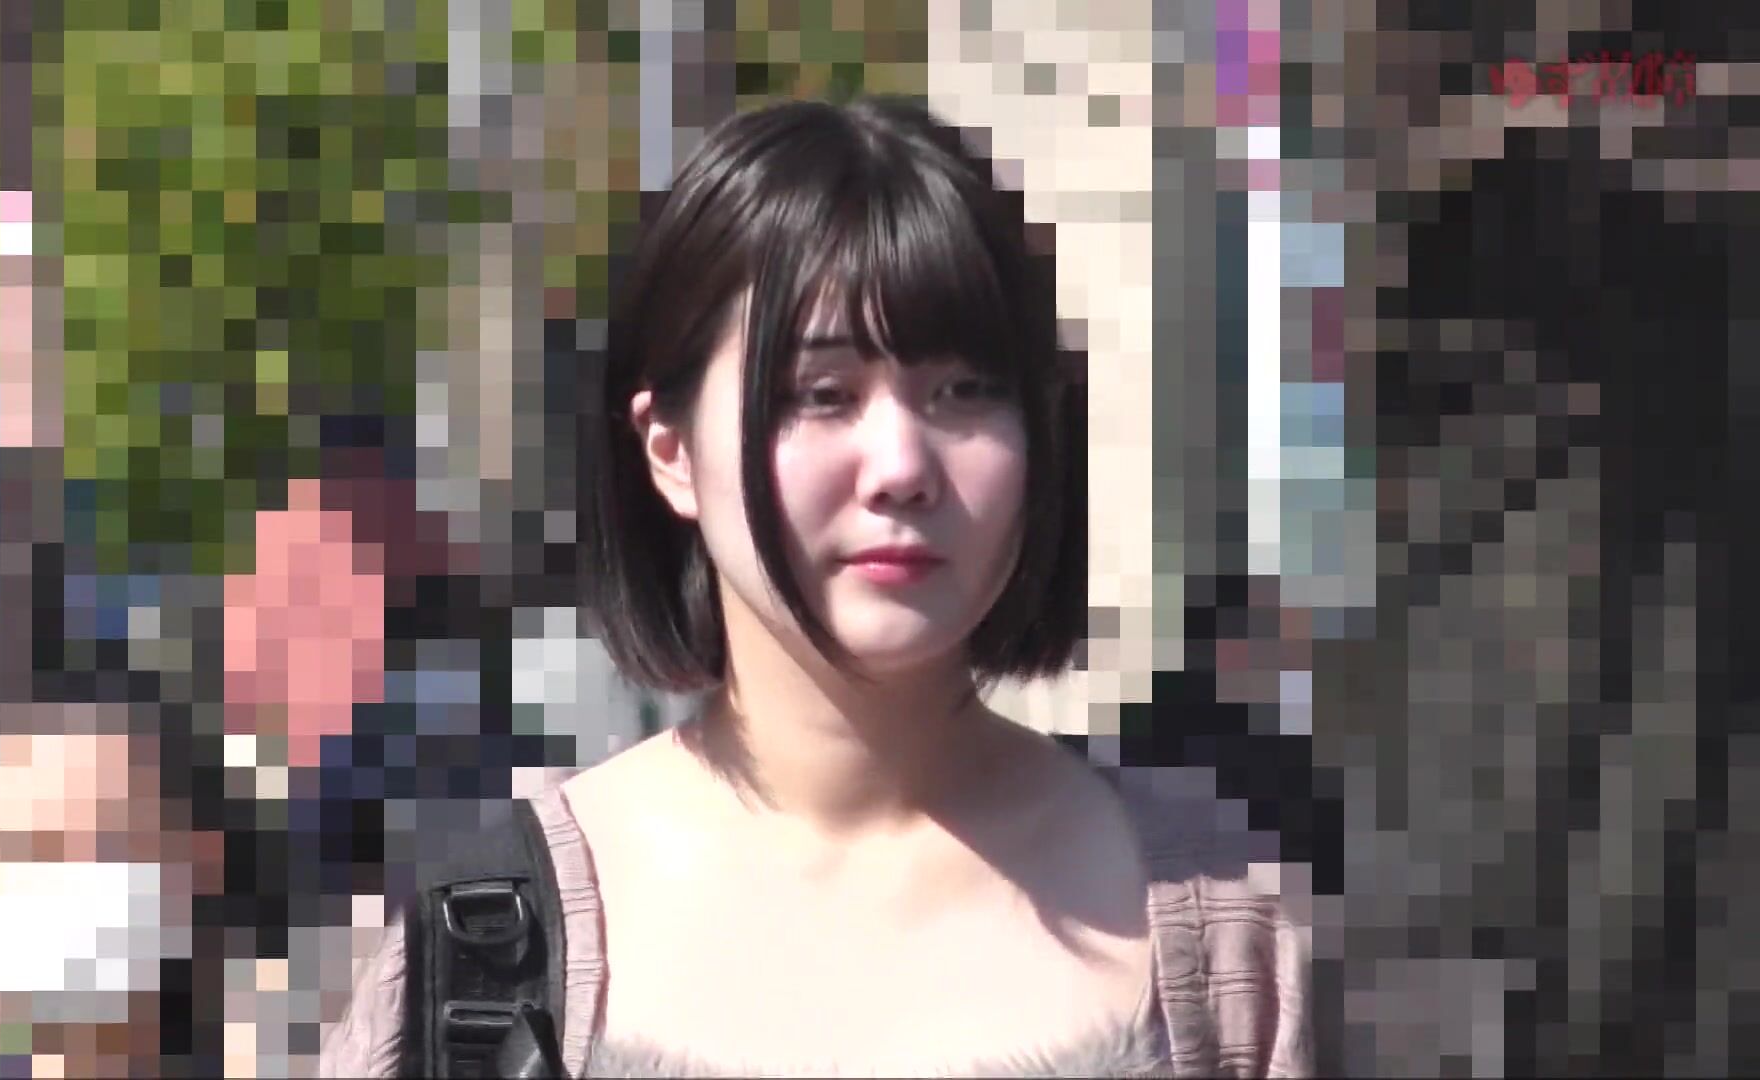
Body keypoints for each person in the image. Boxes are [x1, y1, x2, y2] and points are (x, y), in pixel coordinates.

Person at [319, 95, 1312, 1078]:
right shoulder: (482, 964)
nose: (903, 466)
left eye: (965, 392)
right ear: (669, 452)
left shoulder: (1222, 948)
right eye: (822, 394)